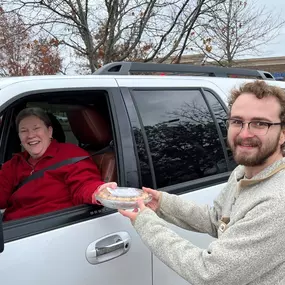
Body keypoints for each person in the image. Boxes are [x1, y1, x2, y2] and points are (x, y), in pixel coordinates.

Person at [119, 80, 285, 285]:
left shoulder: (278, 201)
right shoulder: (242, 172)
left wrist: (146, 223)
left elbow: (210, 273)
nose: (244, 133)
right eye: (237, 121)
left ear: (282, 134)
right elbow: (216, 219)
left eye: (260, 123)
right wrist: (162, 203)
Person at [0, 107, 117, 222]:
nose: (30, 135)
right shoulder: (15, 163)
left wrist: (98, 191)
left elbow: (84, 185)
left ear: (49, 131)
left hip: (48, 229)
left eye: (36, 128)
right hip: (11, 229)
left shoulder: (70, 154)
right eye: (24, 131)